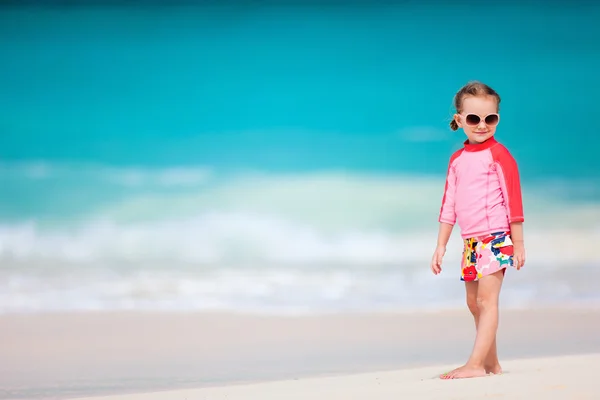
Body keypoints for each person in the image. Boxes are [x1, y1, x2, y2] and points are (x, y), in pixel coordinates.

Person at [430, 81, 526, 379]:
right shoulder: (457, 160)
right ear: (459, 120)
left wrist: (518, 242)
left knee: (487, 301)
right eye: (473, 118)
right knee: (473, 304)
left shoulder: (499, 155)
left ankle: (474, 365)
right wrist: (441, 245)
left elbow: (514, 199)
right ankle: (491, 363)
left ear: (497, 118)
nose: (482, 125)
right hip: (470, 242)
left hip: (496, 237)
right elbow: (449, 205)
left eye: (490, 118)